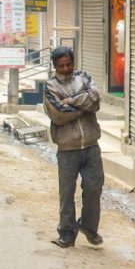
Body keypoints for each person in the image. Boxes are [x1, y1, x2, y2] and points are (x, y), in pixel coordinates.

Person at [42, 46, 104, 248]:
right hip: (67, 148)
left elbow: (95, 99)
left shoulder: (84, 78)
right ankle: (67, 233)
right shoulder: (50, 86)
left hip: (91, 146)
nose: (66, 69)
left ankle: (89, 227)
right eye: (61, 66)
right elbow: (58, 114)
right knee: (67, 192)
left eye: (68, 64)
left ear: (73, 62)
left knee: (94, 189)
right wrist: (83, 107)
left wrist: (70, 101)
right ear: (55, 66)